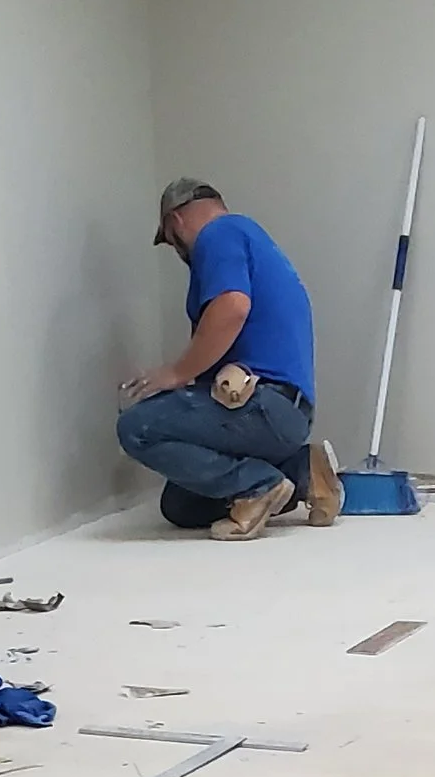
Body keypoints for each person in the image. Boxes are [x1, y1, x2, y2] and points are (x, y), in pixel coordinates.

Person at [118, 180, 342, 538]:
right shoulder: (251, 240)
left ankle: (258, 486)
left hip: (261, 405)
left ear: (176, 221)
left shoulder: (219, 233)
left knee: (136, 428)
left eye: (171, 240)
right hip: (287, 413)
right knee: (180, 504)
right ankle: (303, 471)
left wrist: (176, 373)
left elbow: (233, 307)